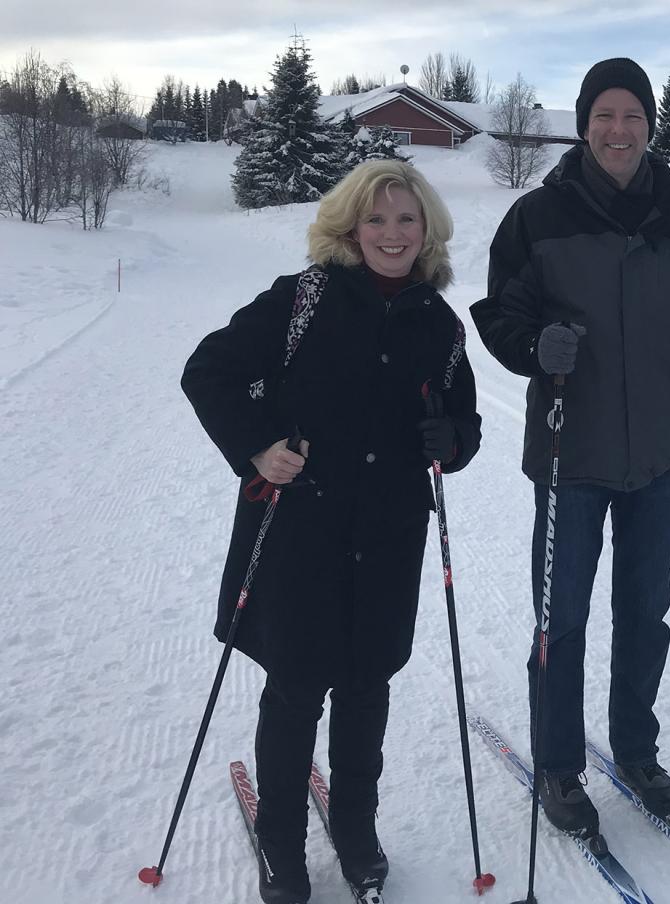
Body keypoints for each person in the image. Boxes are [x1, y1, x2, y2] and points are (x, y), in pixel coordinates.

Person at [471, 57, 670, 838]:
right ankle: (559, 764)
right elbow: (500, 319)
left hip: (659, 456)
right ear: (584, 125)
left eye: (632, 117)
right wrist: (538, 347)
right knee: (561, 618)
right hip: (570, 453)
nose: (619, 130)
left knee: (646, 612)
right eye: (604, 116)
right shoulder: (537, 218)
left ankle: (637, 753)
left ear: (649, 127)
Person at [181, 160, 482, 904]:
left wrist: (452, 439)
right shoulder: (301, 301)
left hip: (388, 532)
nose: (391, 233)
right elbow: (208, 370)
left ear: (427, 232)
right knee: (296, 686)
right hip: (300, 531)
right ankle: (281, 842)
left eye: (406, 220)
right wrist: (256, 444)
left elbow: (464, 423)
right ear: (349, 226)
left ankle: (355, 826)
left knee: (366, 685)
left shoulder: (437, 324)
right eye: (376, 219)